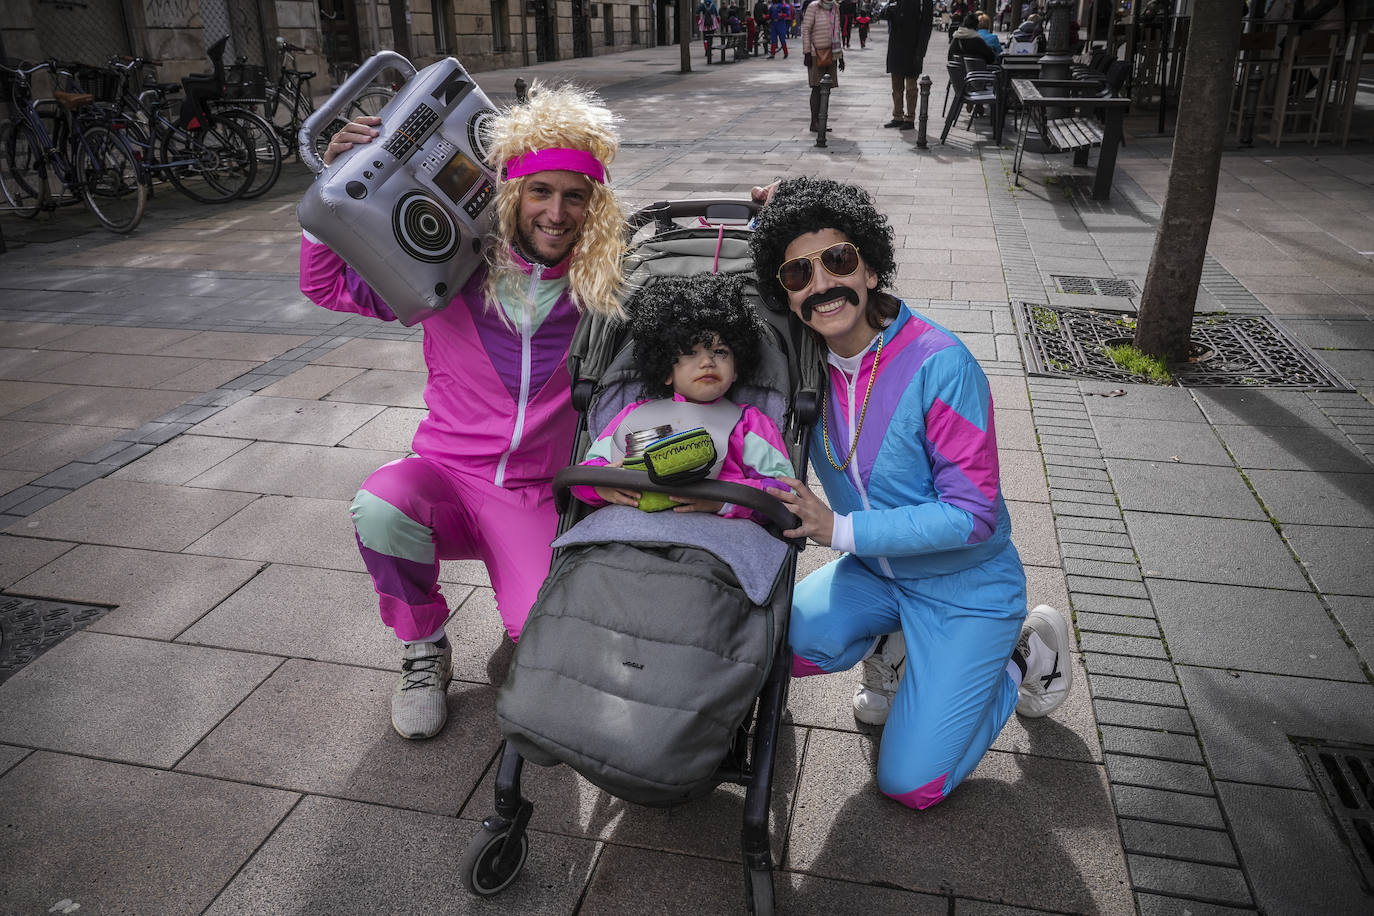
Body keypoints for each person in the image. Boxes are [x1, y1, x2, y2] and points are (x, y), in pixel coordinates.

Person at [300, 83, 628, 740]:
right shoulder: (447, 267)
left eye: (574, 195)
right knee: (381, 507)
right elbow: (326, 284)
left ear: (594, 205)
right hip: (447, 479)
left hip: (536, 496)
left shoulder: (606, 282)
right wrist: (335, 177)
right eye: (540, 192)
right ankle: (424, 646)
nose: (556, 212)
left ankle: (524, 602)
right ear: (512, 193)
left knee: (542, 637)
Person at [748, 177, 1074, 809]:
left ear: (870, 267)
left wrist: (840, 532)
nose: (822, 284)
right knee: (765, 643)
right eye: (798, 274)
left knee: (909, 785)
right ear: (786, 295)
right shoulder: (807, 363)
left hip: (966, 589)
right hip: (876, 572)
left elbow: (974, 516)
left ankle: (1022, 655)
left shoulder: (940, 363)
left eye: (838, 260)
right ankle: (894, 648)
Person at [573, 272, 793, 522]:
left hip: (714, 535)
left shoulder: (749, 424)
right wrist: (601, 485)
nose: (708, 362)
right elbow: (585, 474)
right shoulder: (634, 415)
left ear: (736, 370)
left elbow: (783, 491)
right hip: (630, 531)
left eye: (720, 351)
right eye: (690, 352)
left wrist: (723, 500)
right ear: (666, 369)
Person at [881, 0, 934, 131]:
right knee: (896, 86)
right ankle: (897, 116)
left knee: (911, 87)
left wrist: (920, 52)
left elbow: (926, 26)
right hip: (896, 47)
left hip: (913, 49)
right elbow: (882, 15)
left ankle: (909, 118)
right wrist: (888, 9)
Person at [801, 0, 844, 133]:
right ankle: (814, 122)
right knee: (816, 87)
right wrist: (807, 52)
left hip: (832, 53)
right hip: (815, 53)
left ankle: (822, 120)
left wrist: (841, 56)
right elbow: (806, 29)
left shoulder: (835, 7)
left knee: (826, 89)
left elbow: (837, 32)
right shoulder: (814, 7)